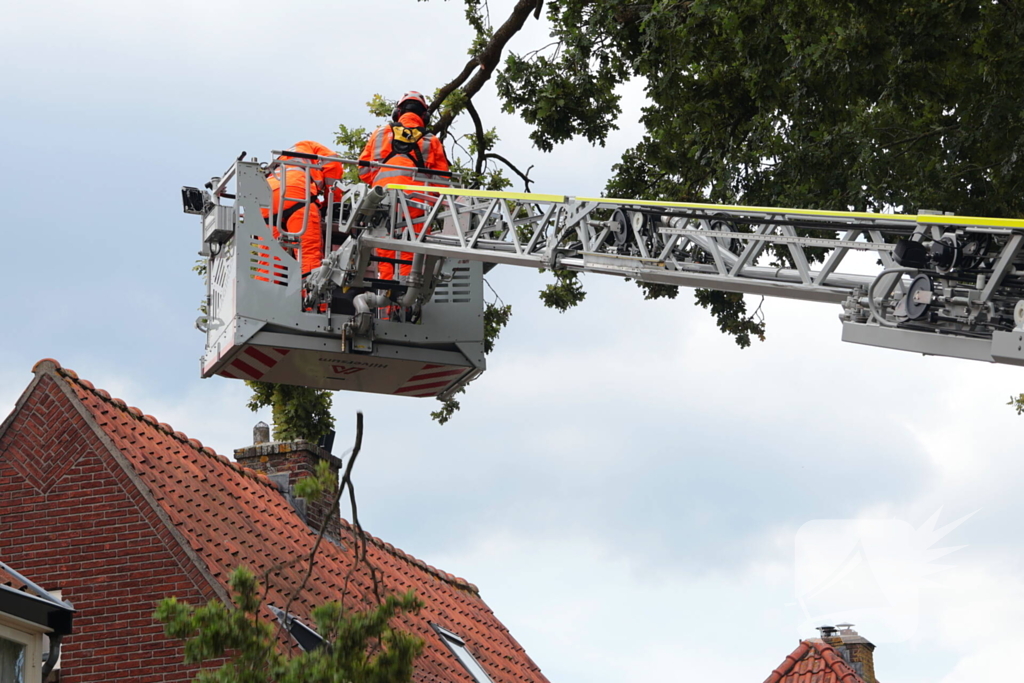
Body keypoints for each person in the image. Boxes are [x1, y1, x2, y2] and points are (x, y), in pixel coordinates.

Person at [358, 91, 450, 281]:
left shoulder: (381, 133)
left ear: (397, 112)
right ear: (425, 116)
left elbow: (363, 172)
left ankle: (386, 302)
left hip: (382, 200)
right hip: (417, 204)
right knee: (410, 257)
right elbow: (442, 184)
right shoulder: (431, 140)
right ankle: (405, 304)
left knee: (385, 258)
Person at [263, 140, 344, 276]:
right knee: (307, 252)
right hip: (296, 193)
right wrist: (333, 203)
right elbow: (333, 164)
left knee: (269, 259)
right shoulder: (311, 147)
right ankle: (306, 294)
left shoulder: (283, 159)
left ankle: (264, 294)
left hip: (267, 196)